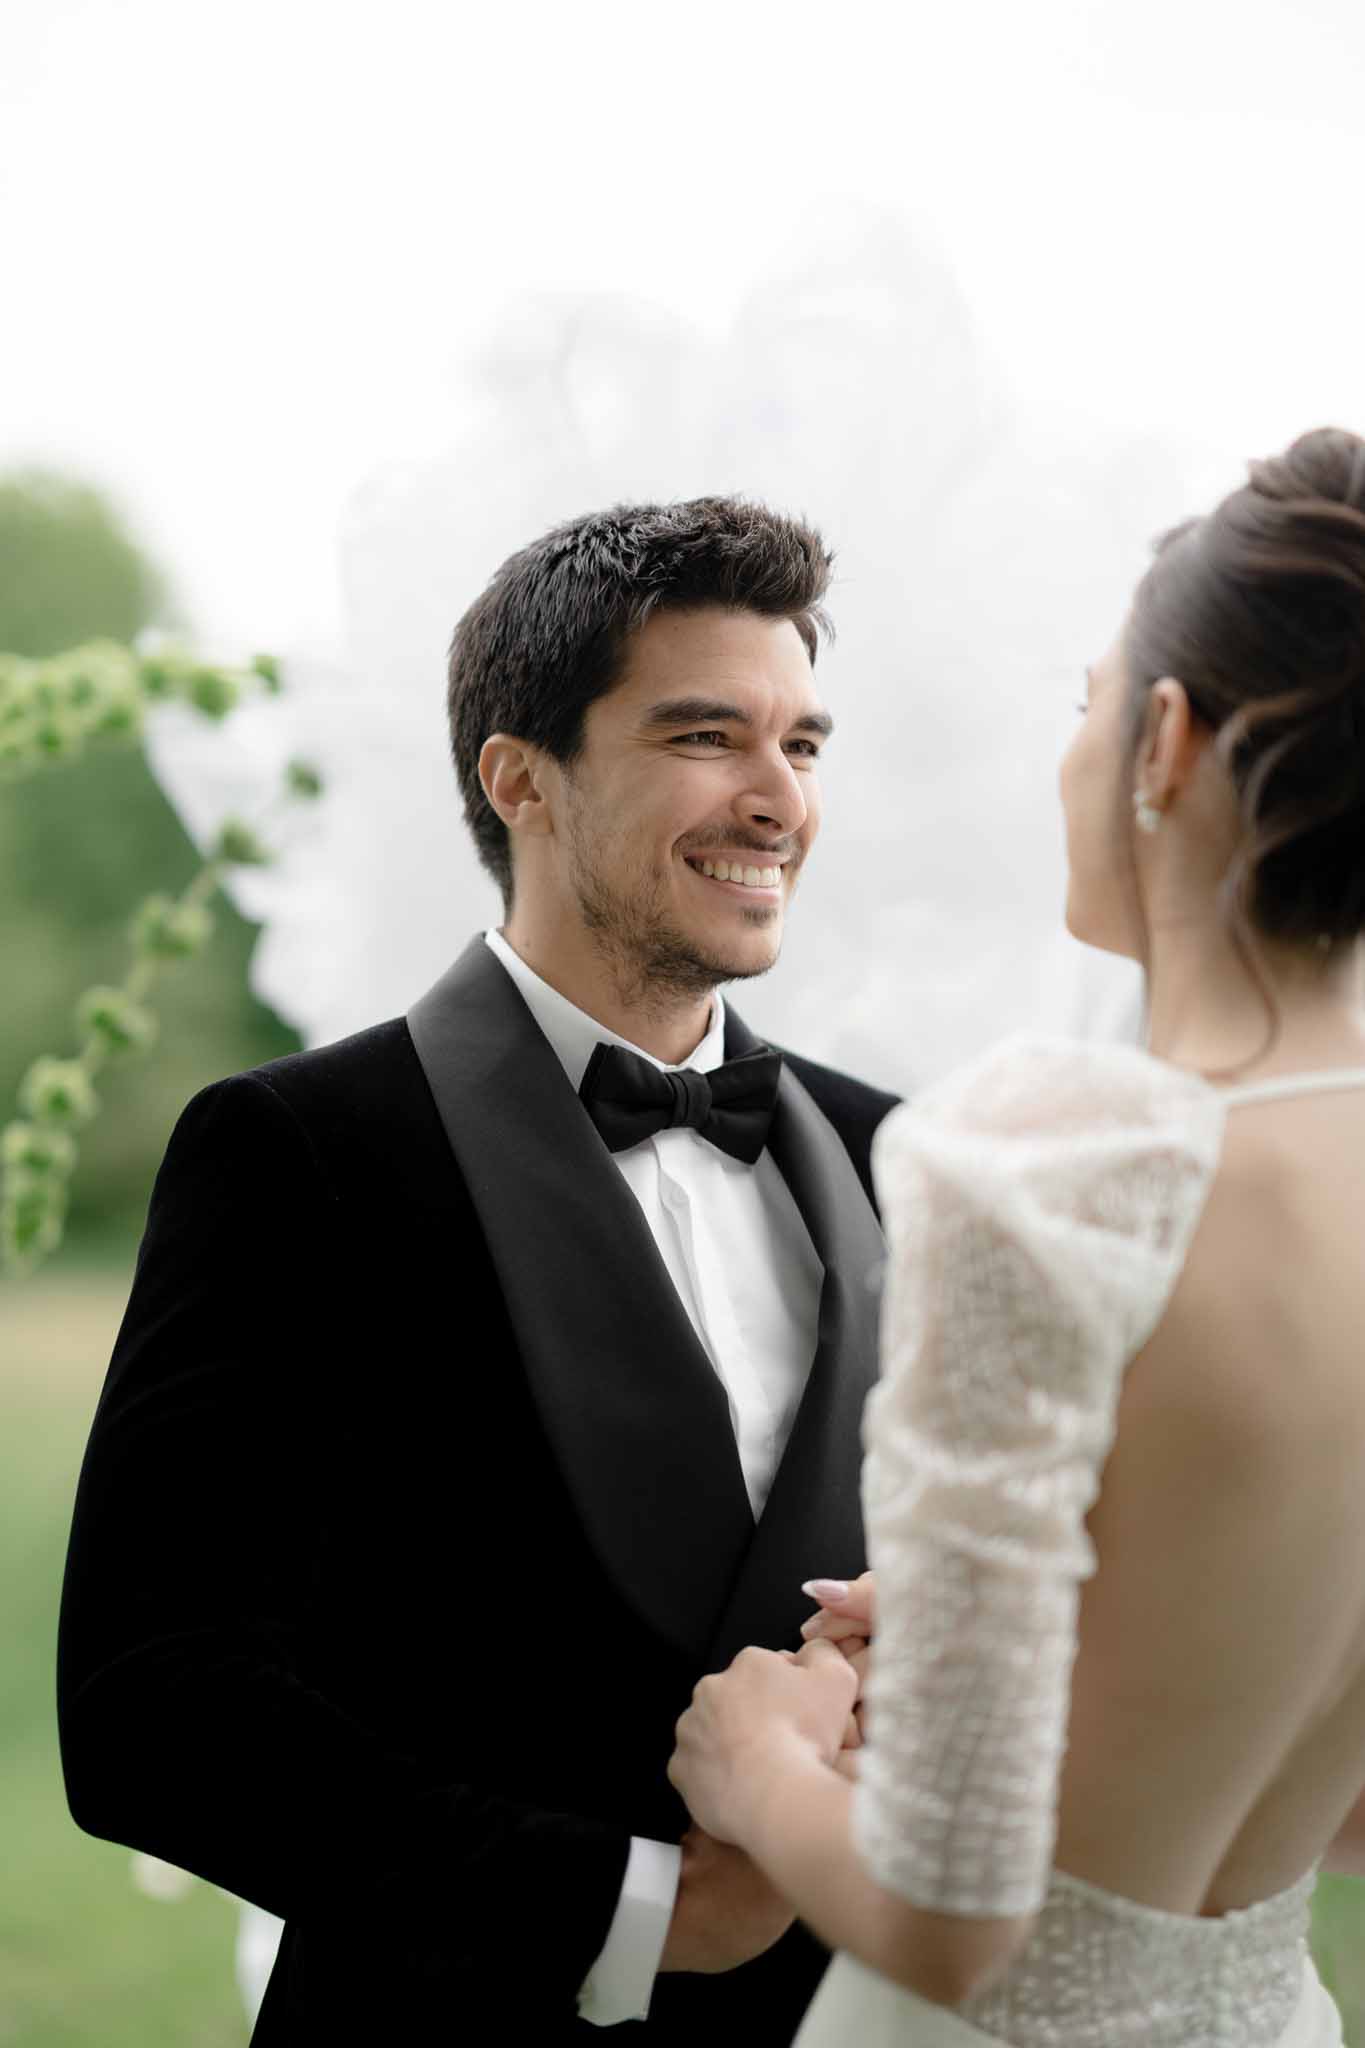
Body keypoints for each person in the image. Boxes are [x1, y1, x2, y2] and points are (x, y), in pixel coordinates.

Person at [55, 496, 899, 2042]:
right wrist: (639, 1912)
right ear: (519, 778)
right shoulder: (295, 1150)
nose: (777, 797)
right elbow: (150, 1704)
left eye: (805, 744)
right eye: (707, 736)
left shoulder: (890, 1152)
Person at [670, 426, 1365, 2047]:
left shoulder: (1059, 1171)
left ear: (1166, 743)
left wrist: (757, 1768)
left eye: (1086, 704)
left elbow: (951, 1921)